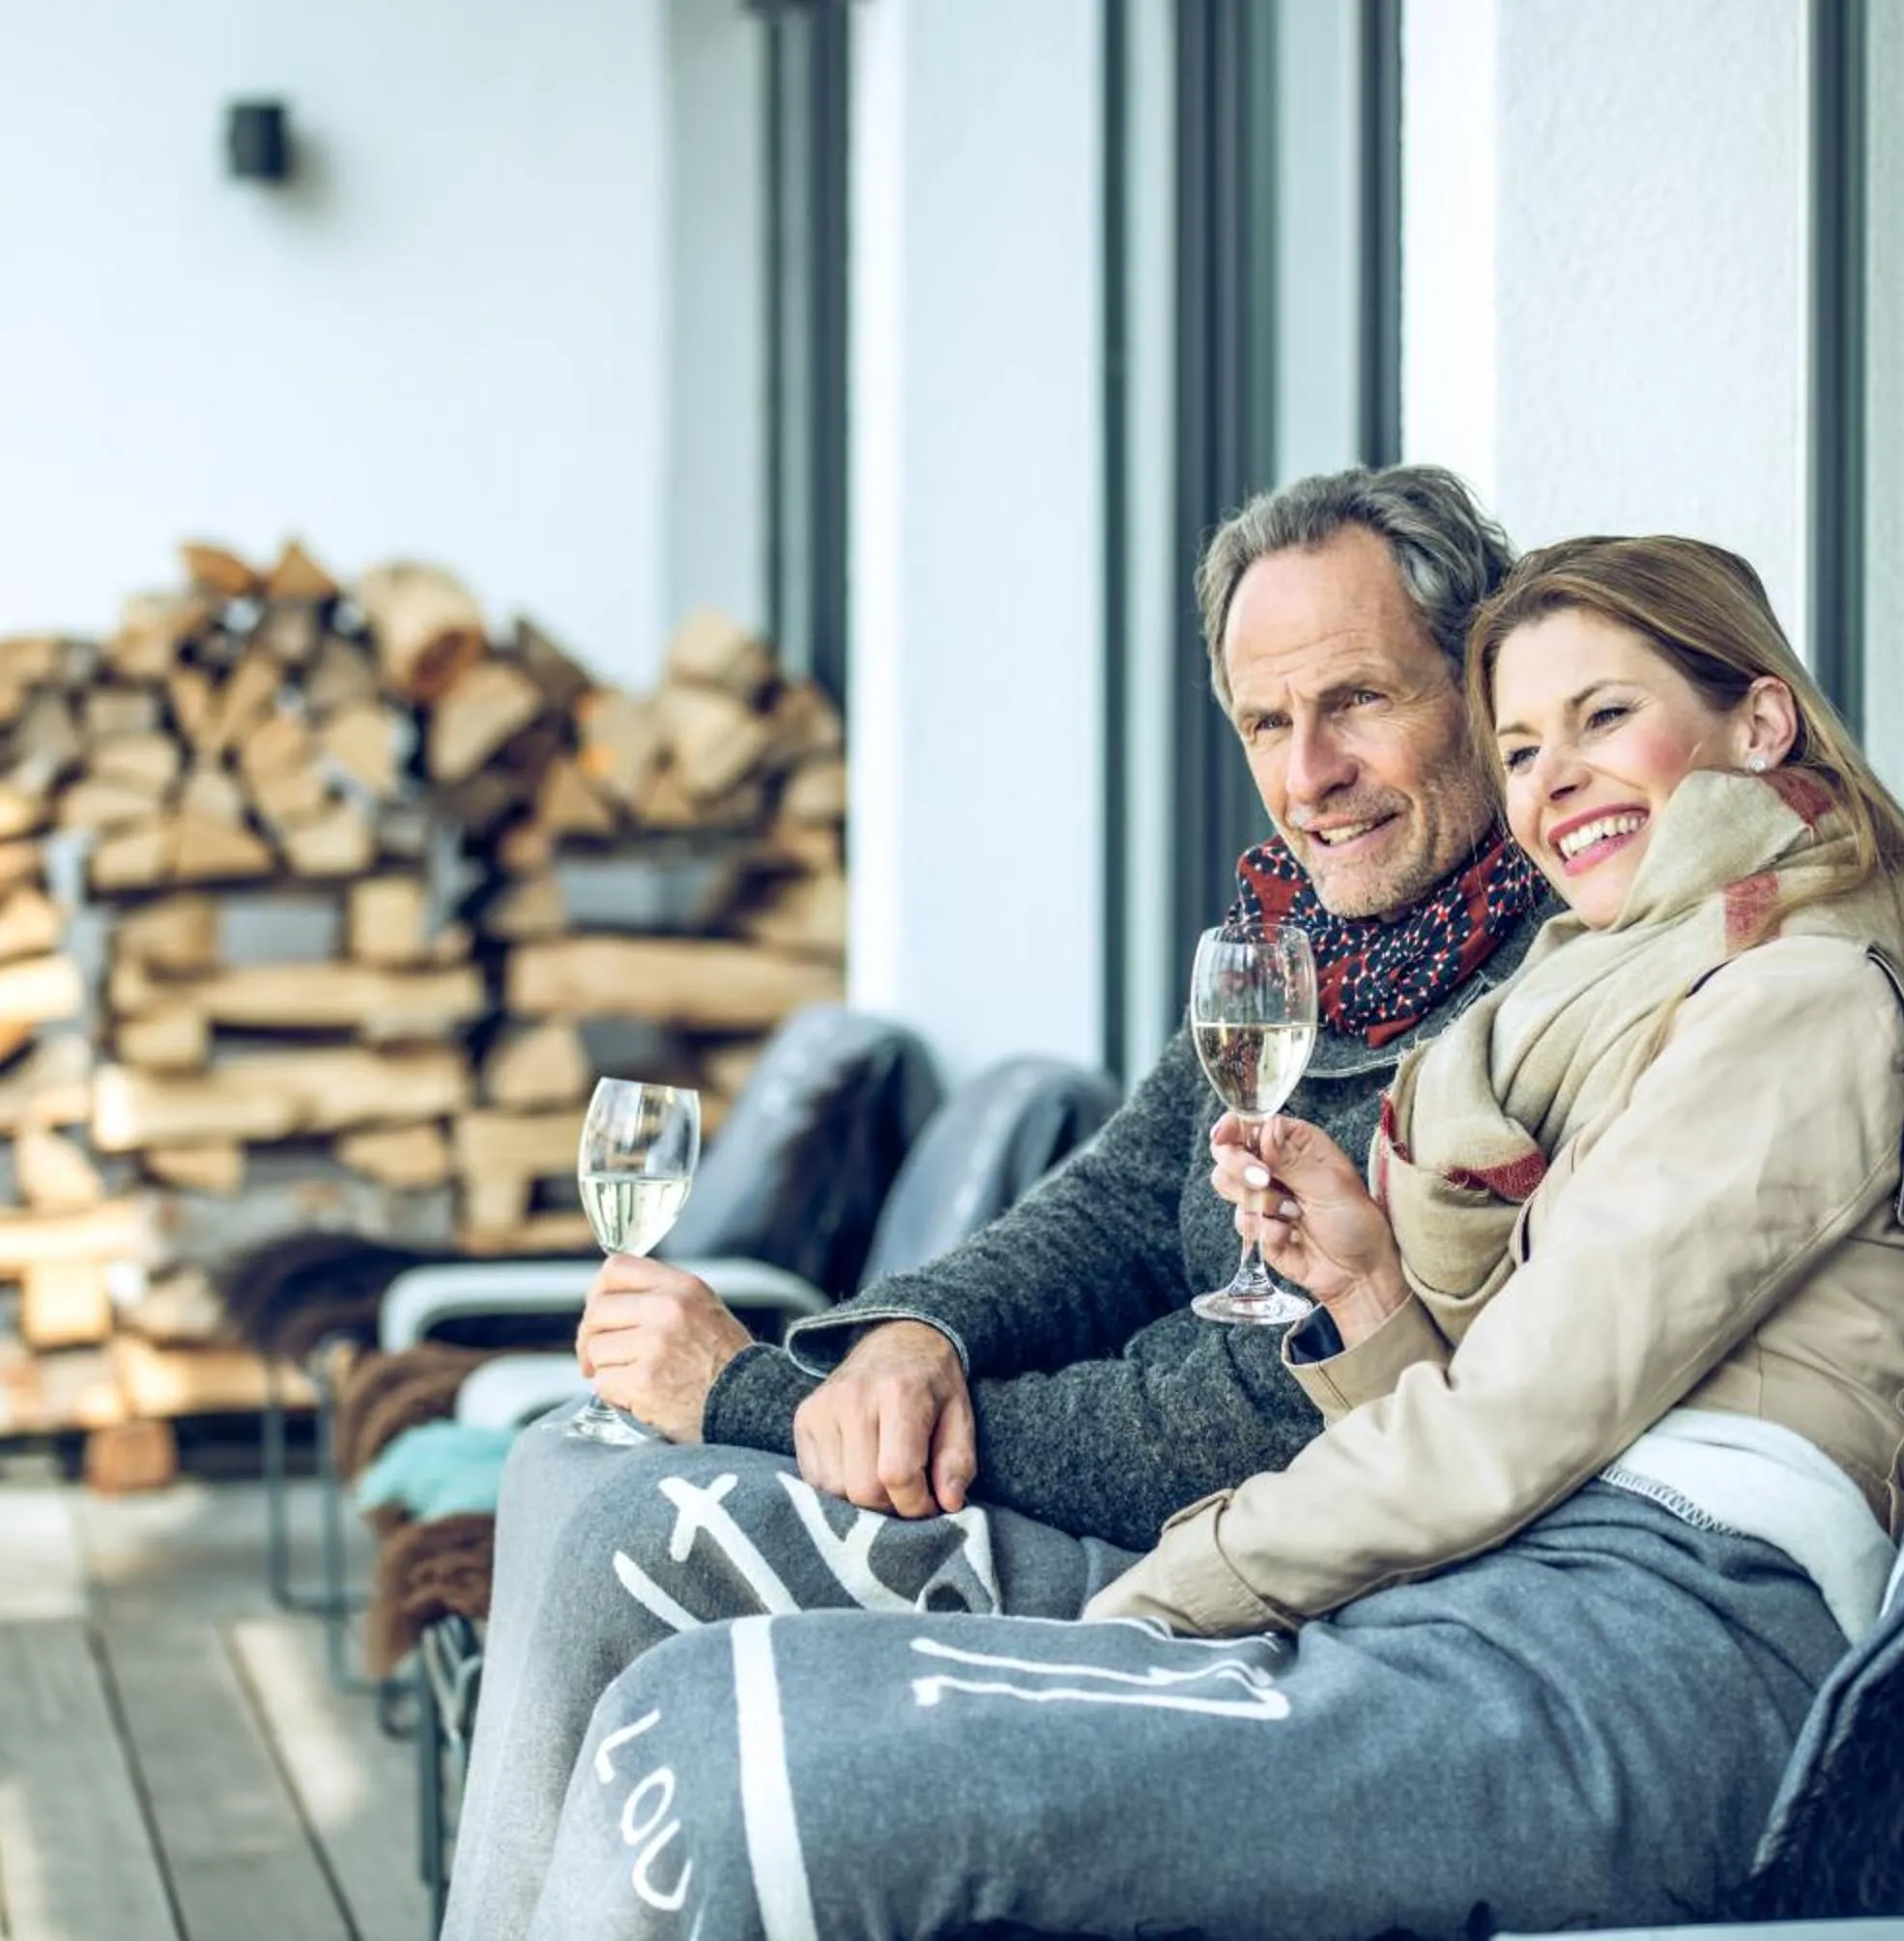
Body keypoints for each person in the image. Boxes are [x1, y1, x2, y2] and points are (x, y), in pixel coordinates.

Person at [509, 533, 1904, 1940]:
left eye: (1603, 718)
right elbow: (1466, 1400)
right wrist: (1355, 1296)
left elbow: (1503, 1437)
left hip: (1642, 1655)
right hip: (1500, 1590)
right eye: (1525, 746)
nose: (1553, 779)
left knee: (720, 1732)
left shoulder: (1793, 1003)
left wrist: (1145, 1600)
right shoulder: (1622, 990)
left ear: (1760, 725)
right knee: (679, 1673)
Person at [442, 464, 1547, 1940]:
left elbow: (1250, 1419)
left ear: (1481, 687)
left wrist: (765, 1399)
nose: (1309, 775)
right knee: (565, 1458)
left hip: (1238, 1567)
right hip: (1112, 1490)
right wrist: (915, 1337)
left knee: (630, 1533)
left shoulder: (1530, 1001)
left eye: (1359, 701)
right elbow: (1105, 1211)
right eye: (1266, 724)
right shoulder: (1291, 948)